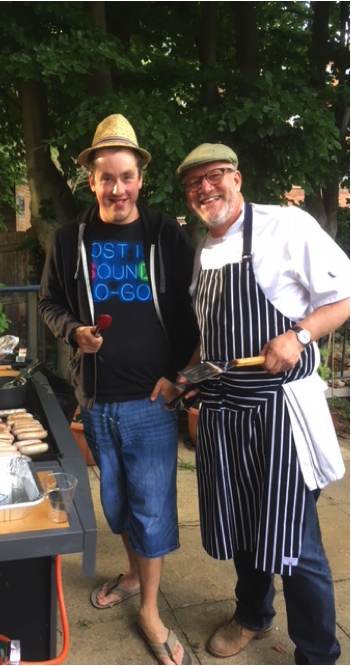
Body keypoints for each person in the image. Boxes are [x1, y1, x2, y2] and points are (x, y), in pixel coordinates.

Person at [174, 142, 350, 665]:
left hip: (280, 415)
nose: (206, 188)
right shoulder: (203, 249)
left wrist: (299, 335)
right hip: (224, 414)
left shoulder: (286, 228)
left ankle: (318, 652)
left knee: (295, 544)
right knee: (240, 523)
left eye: (216, 176)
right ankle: (252, 615)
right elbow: (213, 336)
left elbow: (344, 295)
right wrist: (186, 375)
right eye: (194, 184)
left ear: (238, 177)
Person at [39, 114, 199, 666]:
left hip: (152, 403)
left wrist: (181, 380)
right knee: (117, 505)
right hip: (98, 402)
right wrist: (71, 330)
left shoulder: (165, 235)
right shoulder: (70, 240)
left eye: (127, 177)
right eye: (107, 178)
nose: (118, 189)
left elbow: (195, 309)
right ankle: (133, 574)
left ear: (139, 179)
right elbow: (49, 303)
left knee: (151, 509)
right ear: (91, 181)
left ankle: (150, 611)